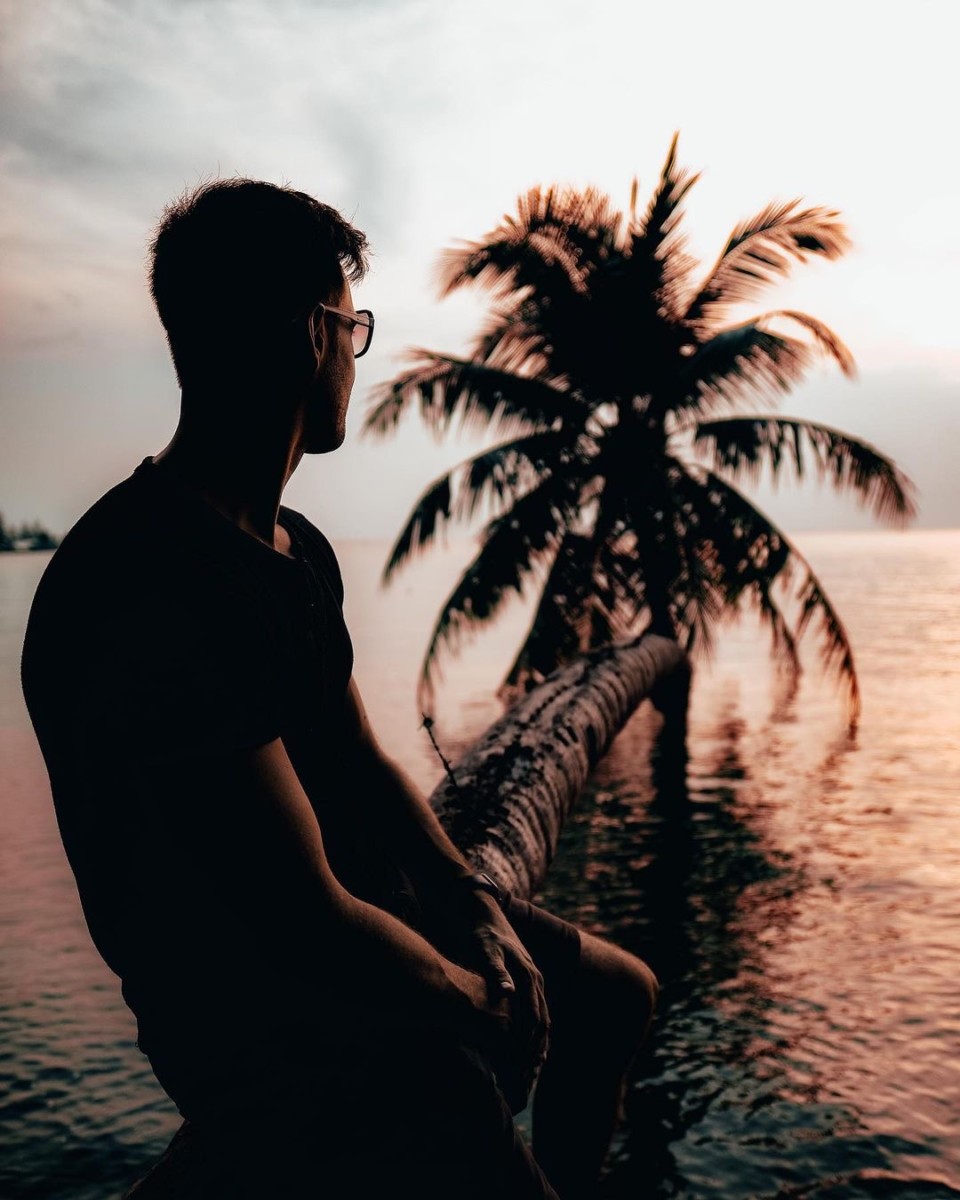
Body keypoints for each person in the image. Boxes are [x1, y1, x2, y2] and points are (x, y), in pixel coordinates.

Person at [20, 179, 658, 1198]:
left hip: (372, 918)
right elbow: (297, 916)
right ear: (310, 332)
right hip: (259, 1011)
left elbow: (358, 759)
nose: (353, 359)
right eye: (351, 327)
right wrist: (474, 1002)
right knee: (465, 1105)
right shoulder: (153, 581)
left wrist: (471, 902)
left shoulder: (288, 549)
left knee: (618, 994)